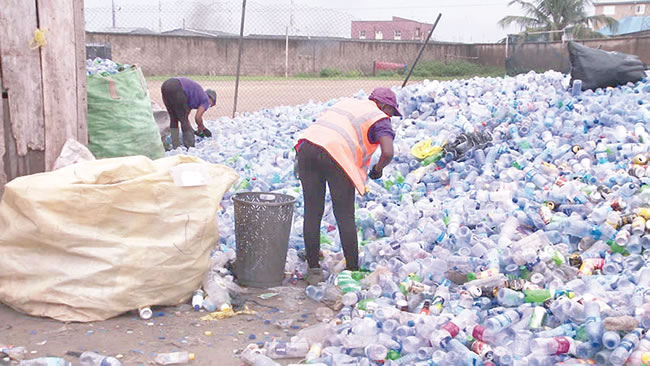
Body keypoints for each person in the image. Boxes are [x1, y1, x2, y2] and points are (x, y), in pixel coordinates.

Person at [295, 87, 401, 285]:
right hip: (336, 154)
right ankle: (352, 270)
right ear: (383, 105)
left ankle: (313, 270)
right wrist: (378, 169)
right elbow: (388, 152)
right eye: (391, 112)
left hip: (306, 148)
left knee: (312, 211)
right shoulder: (378, 117)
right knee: (344, 215)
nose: (390, 117)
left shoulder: (347, 103)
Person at [161, 77, 216, 149]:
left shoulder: (196, 96)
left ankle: (175, 146)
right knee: (184, 120)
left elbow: (186, 112)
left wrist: (197, 129)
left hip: (166, 85)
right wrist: (203, 128)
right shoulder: (206, 100)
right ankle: (190, 148)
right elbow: (197, 118)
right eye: (211, 105)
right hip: (178, 86)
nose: (208, 107)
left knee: (174, 118)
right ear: (211, 99)